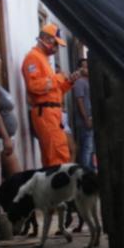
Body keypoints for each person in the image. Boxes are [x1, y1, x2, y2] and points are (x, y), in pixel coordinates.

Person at [21, 23, 80, 167]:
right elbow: (34, 86)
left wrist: (68, 82)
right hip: (45, 113)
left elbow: (53, 91)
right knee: (58, 155)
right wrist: (59, 78)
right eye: (55, 44)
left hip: (52, 112)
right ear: (46, 39)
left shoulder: (44, 60)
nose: (56, 49)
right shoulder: (33, 58)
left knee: (54, 155)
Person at [0, 46, 20, 178]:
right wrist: (5, 138)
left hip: (6, 139)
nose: (1, 60)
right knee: (17, 180)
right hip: (2, 141)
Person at [72, 59, 94, 169]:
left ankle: (90, 170)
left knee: (90, 148)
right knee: (87, 147)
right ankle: (85, 171)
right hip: (84, 120)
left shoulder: (89, 81)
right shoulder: (80, 82)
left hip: (90, 118)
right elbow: (79, 101)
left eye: (88, 66)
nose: (87, 69)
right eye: (84, 67)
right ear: (79, 69)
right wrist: (86, 119)